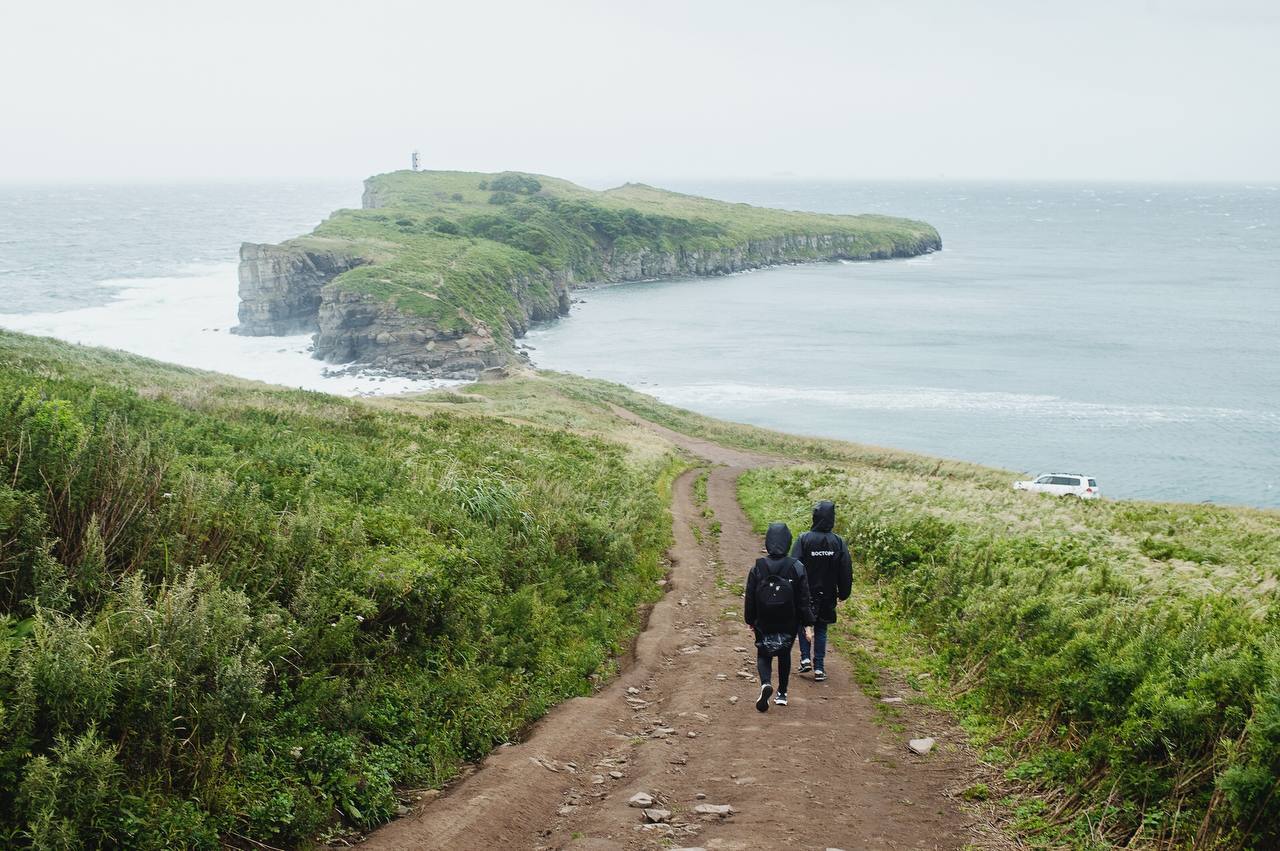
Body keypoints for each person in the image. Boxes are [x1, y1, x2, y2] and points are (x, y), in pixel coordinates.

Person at [744, 522, 814, 711]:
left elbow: (750, 595)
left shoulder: (758, 567)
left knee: (763, 653)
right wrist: (807, 623)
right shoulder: (797, 566)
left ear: (768, 541)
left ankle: (766, 683)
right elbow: (804, 597)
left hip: (763, 620)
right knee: (784, 654)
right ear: (788, 541)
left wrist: (750, 619)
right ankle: (782, 694)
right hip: (789, 620)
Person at [791, 500, 852, 682]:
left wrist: (792, 590)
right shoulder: (838, 542)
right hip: (828, 593)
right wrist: (844, 592)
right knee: (822, 628)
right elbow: (845, 569)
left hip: (805, 592)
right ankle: (819, 668)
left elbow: (793, 565)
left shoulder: (804, 539)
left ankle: (805, 658)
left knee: (803, 623)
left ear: (815, 517)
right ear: (832, 519)